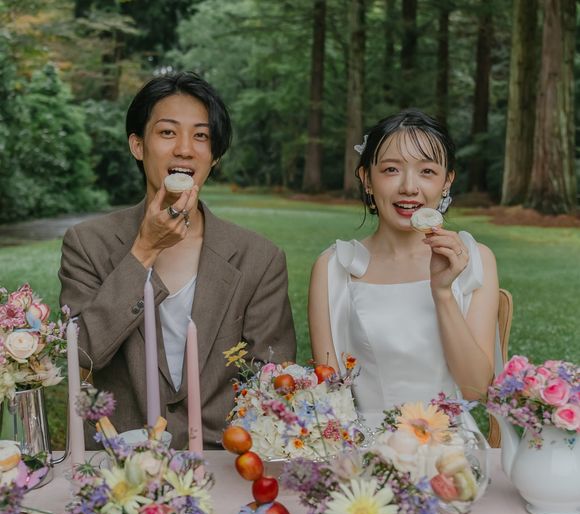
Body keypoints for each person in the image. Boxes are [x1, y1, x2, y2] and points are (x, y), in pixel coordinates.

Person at [59, 71, 296, 449]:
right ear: (138, 145)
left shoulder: (259, 258)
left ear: (214, 156)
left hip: (225, 460)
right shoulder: (87, 244)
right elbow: (81, 353)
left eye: (201, 136)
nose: (185, 149)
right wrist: (144, 250)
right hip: (121, 460)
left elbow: (272, 384)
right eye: (167, 132)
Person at [308, 110, 500, 430]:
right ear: (366, 179)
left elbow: (477, 390)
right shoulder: (334, 267)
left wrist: (443, 293)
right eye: (391, 170)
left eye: (427, 171)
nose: (409, 187)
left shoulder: (475, 259)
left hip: (451, 446)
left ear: (447, 181)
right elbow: (330, 397)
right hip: (366, 447)